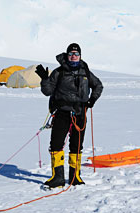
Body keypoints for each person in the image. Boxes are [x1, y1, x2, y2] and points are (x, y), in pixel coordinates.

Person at [35, 43, 104, 189]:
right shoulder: (58, 72)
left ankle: (75, 177)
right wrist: (44, 79)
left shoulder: (85, 72)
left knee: (76, 145)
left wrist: (92, 100)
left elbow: (98, 85)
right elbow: (47, 91)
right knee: (56, 145)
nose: (74, 56)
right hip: (62, 113)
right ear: (67, 55)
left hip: (80, 113)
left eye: (76, 54)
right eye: (71, 54)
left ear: (80, 56)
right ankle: (57, 178)